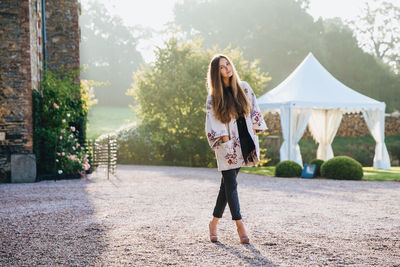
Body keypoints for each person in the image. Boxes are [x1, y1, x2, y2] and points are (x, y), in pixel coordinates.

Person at [205, 54, 267, 244]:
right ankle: (240, 225)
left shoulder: (245, 87)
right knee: (231, 184)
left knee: (226, 186)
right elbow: (213, 120)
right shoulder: (214, 97)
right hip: (227, 145)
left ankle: (213, 222)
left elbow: (254, 108)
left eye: (228, 64)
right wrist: (224, 139)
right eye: (222, 67)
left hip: (245, 140)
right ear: (216, 73)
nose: (227, 69)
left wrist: (257, 127)